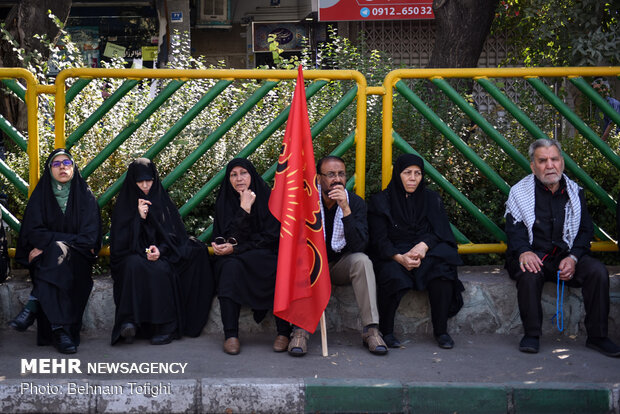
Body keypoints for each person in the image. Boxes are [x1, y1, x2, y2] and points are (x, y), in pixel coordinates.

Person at [505, 138, 620, 357]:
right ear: (533, 166)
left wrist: (574, 258)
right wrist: (525, 252)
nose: (550, 165)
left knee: (597, 272)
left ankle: (598, 337)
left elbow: (585, 231)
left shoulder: (575, 192)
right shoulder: (520, 193)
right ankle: (531, 335)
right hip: (533, 255)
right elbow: (514, 231)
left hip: (565, 256)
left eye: (554, 159)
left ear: (562, 163)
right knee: (529, 273)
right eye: (543, 160)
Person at [287, 156, 388, 357]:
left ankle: (371, 330)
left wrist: (346, 210)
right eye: (331, 174)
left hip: (340, 264)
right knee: (299, 262)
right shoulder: (307, 202)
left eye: (341, 174)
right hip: (313, 265)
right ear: (318, 178)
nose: (337, 179)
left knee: (362, 261)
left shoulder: (355, 203)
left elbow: (359, 245)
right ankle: (299, 330)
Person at [110, 158, 214, 346]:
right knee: (133, 265)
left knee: (160, 269)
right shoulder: (125, 204)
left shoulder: (161, 200)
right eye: (140, 181)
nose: (145, 185)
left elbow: (174, 235)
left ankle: (166, 326)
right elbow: (120, 242)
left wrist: (161, 249)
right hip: (131, 254)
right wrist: (139, 219)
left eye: (148, 180)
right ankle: (130, 322)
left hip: (161, 254)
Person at [9, 149, 101, 354]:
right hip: (47, 259)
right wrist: (63, 242)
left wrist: (50, 241)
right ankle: (61, 331)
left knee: (54, 253)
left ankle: (34, 304)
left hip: (77, 259)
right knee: (55, 256)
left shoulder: (85, 196)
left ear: (73, 167)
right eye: (56, 164)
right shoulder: (41, 195)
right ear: (49, 169)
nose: (62, 167)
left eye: (67, 162)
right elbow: (33, 232)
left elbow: (89, 238)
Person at [367, 154, 464, 349]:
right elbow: (379, 239)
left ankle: (441, 331)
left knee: (442, 272)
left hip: (424, 252)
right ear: (398, 174)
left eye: (417, 173)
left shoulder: (431, 198)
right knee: (391, 275)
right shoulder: (381, 201)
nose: (413, 178)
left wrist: (423, 246)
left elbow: (440, 231)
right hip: (394, 254)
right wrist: (399, 258)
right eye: (407, 173)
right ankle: (386, 331)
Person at [212, 158, 291, 355]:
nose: (239, 179)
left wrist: (236, 248)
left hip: (263, 252)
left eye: (243, 173)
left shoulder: (268, 198)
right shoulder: (225, 201)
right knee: (229, 268)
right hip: (236, 258)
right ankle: (231, 335)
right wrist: (244, 209)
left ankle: (284, 332)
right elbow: (226, 237)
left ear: (252, 175)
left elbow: (271, 237)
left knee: (277, 266)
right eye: (233, 174)